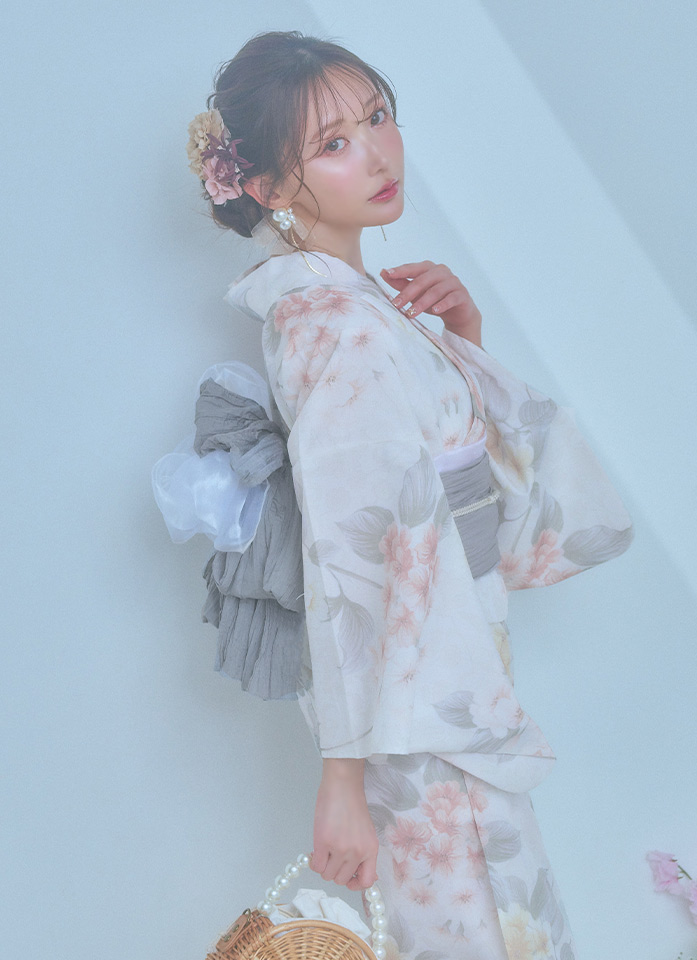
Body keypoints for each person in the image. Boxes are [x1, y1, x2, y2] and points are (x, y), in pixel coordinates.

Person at [170, 29, 634, 960]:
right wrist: (342, 778)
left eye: (378, 117)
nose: (378, 154)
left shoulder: (358, 305)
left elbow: (452, 493)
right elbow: (347, 551)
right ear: (267, 187)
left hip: (439, 687)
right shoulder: (333, 325)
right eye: (334, 144)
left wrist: (462, 340)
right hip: (412, 714)